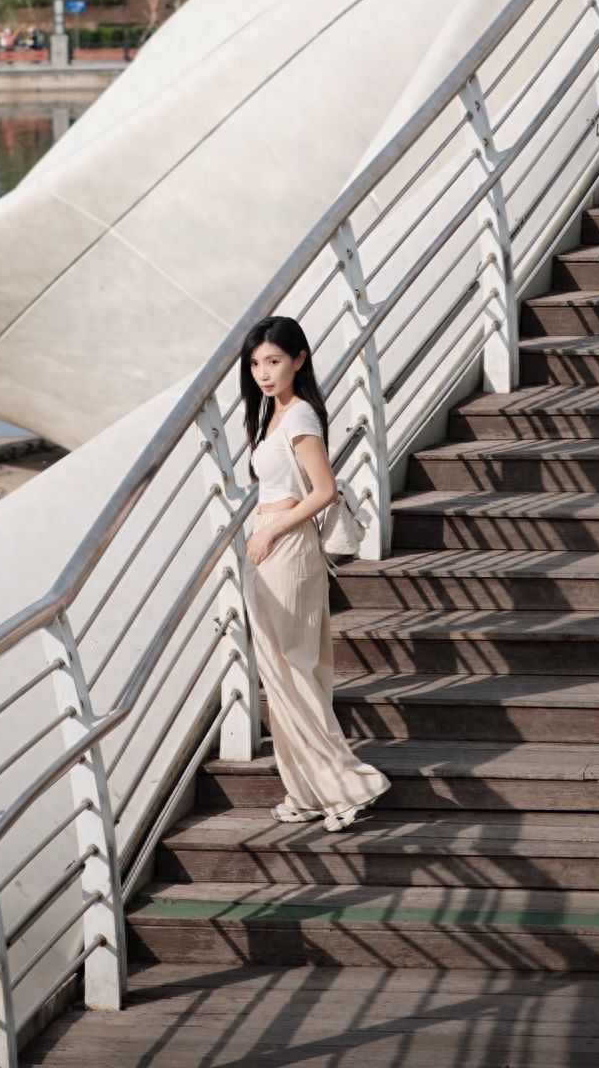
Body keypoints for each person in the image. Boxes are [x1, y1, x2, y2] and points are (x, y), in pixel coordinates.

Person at [240, 315, 391, 833]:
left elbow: (323, 491)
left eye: (274, 361)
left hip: (285, 547)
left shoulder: (301, 417)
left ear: (299, 360)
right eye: (257, 362)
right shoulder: (270, 415)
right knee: (280, 676)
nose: (263, 372)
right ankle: (306, 789)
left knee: (295, 670)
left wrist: (270, 530)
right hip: (269, 546)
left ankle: (348, 786)